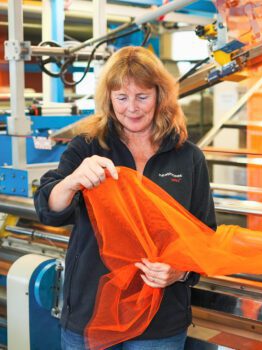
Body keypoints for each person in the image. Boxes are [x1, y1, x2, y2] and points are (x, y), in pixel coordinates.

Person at [34, 46, 216, 350]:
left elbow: (205, 236)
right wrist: (72, 181)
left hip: (160, 321)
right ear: (109, 99)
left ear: (160, 96)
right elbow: (49, 210)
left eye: (142, 96)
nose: (132, 108)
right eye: (121, 97)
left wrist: (181, 271)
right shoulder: (88, 147)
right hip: (91, 314)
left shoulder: (188, 157)